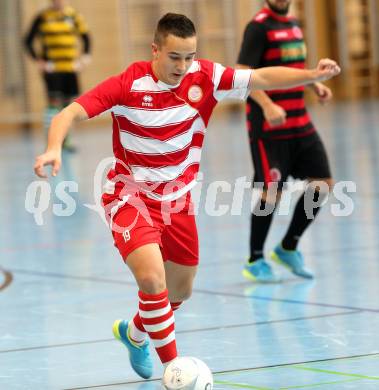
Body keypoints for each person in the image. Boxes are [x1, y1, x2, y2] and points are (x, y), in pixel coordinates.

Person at [34, 13, 339, 379]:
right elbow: (69, 112)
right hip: (129, 196)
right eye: (174, 56)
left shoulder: (206, 77)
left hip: (177, 201)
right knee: (152, 280)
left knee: (179, 292)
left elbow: (261, 76)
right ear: (156, 50)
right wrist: (54, 148)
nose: (183, 66)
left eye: (189, 57)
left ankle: (134, 335)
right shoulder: (128, 84)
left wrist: (312, 76)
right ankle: (175, 369)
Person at [237, 0, 335, 283]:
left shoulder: (293, 25)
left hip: (300, 122)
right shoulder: (258, 27)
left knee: (323, 183)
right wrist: (267, 105)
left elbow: (293, 67)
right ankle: (255, 259)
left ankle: (289, 246)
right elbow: (243, 73)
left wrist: (314, 84)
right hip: (269, 129)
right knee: (272, 194)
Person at [24, 0, 91, 152]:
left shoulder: (73, 16)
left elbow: (86, 38)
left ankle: (66, 139)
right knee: (54, 104)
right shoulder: (43, 17)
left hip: (70, 68)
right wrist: (38, 60)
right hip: (52, 69)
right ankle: (51, 141)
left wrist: (85, 58)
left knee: (69, 105)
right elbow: (28, 40)